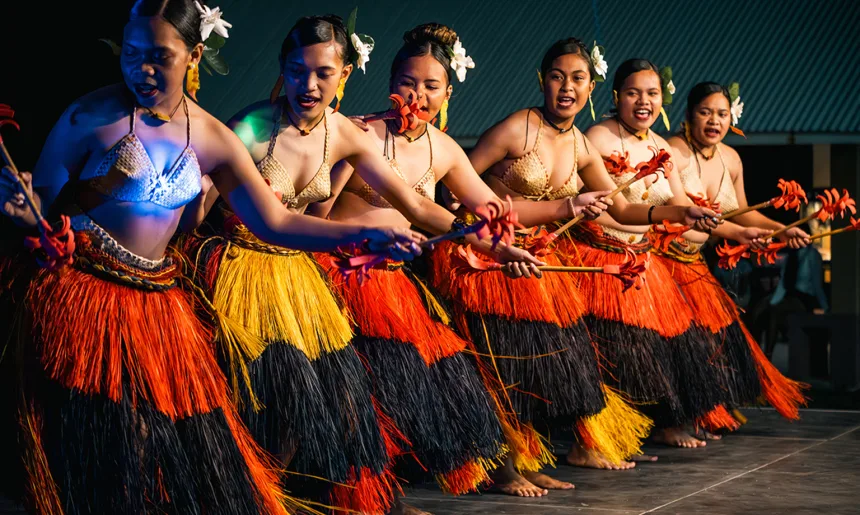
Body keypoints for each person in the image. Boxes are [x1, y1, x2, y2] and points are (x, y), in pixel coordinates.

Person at [0, 1, 424, 513]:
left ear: (194, 55)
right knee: (102, 442)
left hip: (157, 299)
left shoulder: (213, 137)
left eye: (160, 56)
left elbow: (277, 221)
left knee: (169, 448)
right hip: (83, 293)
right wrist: (26, 214)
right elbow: (41, 209)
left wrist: (355, 237)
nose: (142, 69)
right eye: (131, 55)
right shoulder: (88, 116)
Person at [182, 14, 546, 514]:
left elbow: (420, 208)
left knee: (336, 392)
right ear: (283, 69)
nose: (308, 85)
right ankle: (251, 497)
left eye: (323, 74)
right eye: (297, 70)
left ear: (345, 75)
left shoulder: (347, 134)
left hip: (294, 273)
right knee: (282, 390)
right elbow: (205, 200)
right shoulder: (251, 125)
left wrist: (496, 246)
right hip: (243, 268)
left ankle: (339, 496)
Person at [431, 40, 718, 497]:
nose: (567, 87)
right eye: (558, 76)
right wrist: (549, 209)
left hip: (541, 267)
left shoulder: (581, 144)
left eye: (578, 78)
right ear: (542, 80)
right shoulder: (516, 129)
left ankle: (528, 458)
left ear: (591, 86)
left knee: (540, 369)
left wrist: (677, 215)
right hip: (490, 261)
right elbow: (454, 194)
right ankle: (502, 468)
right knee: (503, 367)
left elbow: (622, 210)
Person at [557, 58, 725, 448]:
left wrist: (693, 217)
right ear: (617, 96)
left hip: (645, 263)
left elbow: (678, 202)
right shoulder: (597, 138)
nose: (643, 101)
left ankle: (659, 425)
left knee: (666, 347)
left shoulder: (661, 146)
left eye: (652, 94)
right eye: (633, 93)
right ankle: (596, 440)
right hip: (601, 259)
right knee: (613, 351)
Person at [660, 81, 809, 425]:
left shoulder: (731, 158)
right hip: (663, 263)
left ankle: (697, 414)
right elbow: (677, 211)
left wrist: (782, 229)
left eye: (722, 114)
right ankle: (671, 421)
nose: (714, 121)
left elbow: (742, 212)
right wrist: (740, 233)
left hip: (694, 263)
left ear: (732, 118)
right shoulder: (673, 152)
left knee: (713, 343)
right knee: (680, 345)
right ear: (687, 115)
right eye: (705, 112)